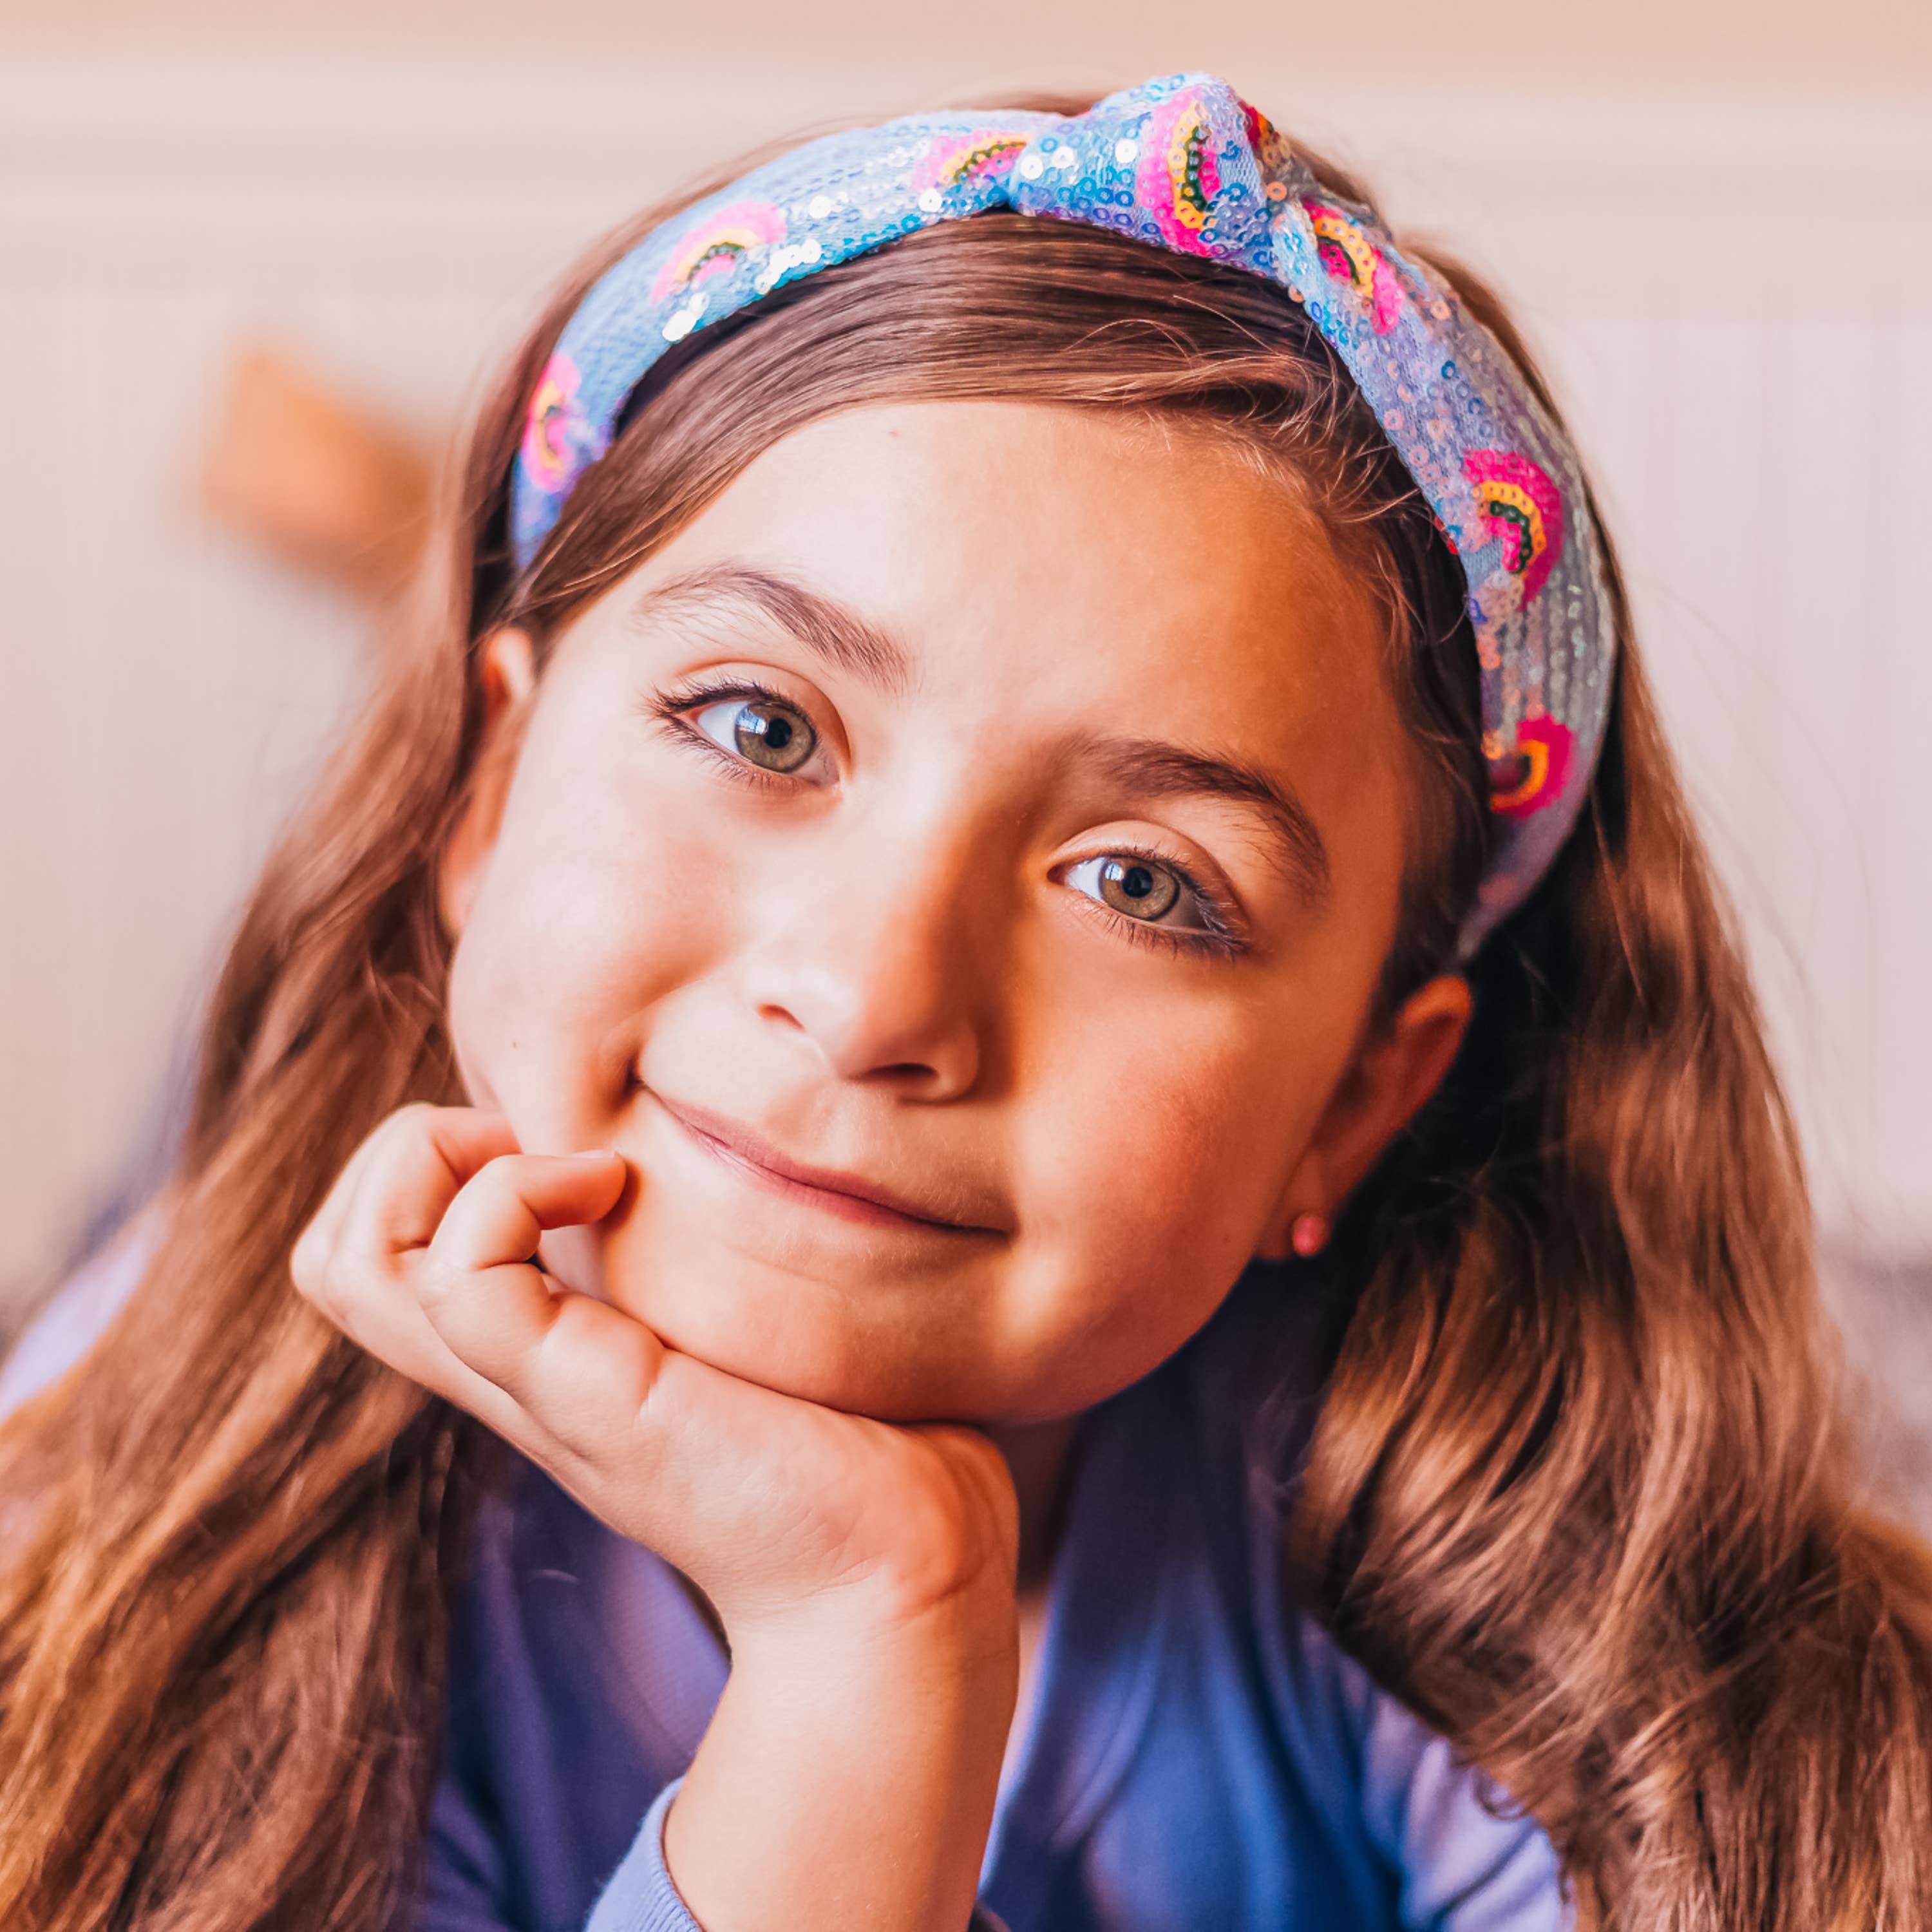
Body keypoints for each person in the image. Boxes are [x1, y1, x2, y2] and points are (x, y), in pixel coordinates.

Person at [1, 73, 1926, 1932]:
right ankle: (403, 562)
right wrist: (874, 1660)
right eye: (761, 726)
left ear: (1354, 1100)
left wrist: (873, 1624)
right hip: (386, 1092)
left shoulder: (1505, 1555)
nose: (868, 997)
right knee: (275, 1065)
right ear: (488, 795)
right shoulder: (159, 1555)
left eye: (1144, 884)